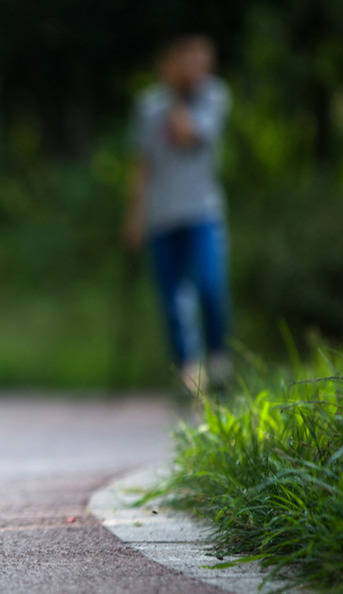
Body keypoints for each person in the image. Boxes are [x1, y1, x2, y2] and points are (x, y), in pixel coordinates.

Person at [123, 35, 231, 393]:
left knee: (209, 288)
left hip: (202, 213)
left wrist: (174, 97)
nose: (195, 70)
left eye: (202, 62)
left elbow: (187, 134)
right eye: (188, 62)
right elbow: (142, 164)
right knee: (172, 301)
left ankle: (218, 361)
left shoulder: (214, 97)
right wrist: (134, 216)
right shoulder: (148, 106)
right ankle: (190, 376)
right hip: (161, 217)